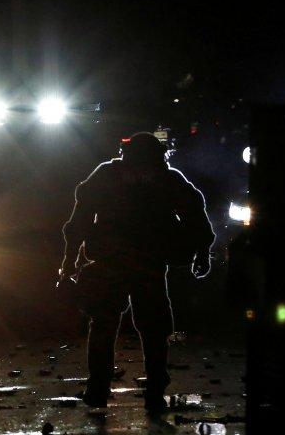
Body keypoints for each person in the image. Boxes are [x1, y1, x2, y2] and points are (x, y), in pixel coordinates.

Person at [60, 132, 215, 412]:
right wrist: (202, 253)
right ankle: (152, 391)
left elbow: (79, 221)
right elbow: (195, 214)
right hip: (146, 265)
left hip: (115, 263)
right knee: (151, 329)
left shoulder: (108, 176)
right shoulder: (165, 179)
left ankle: (100, 388)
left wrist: (70, 261)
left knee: (106, 324)